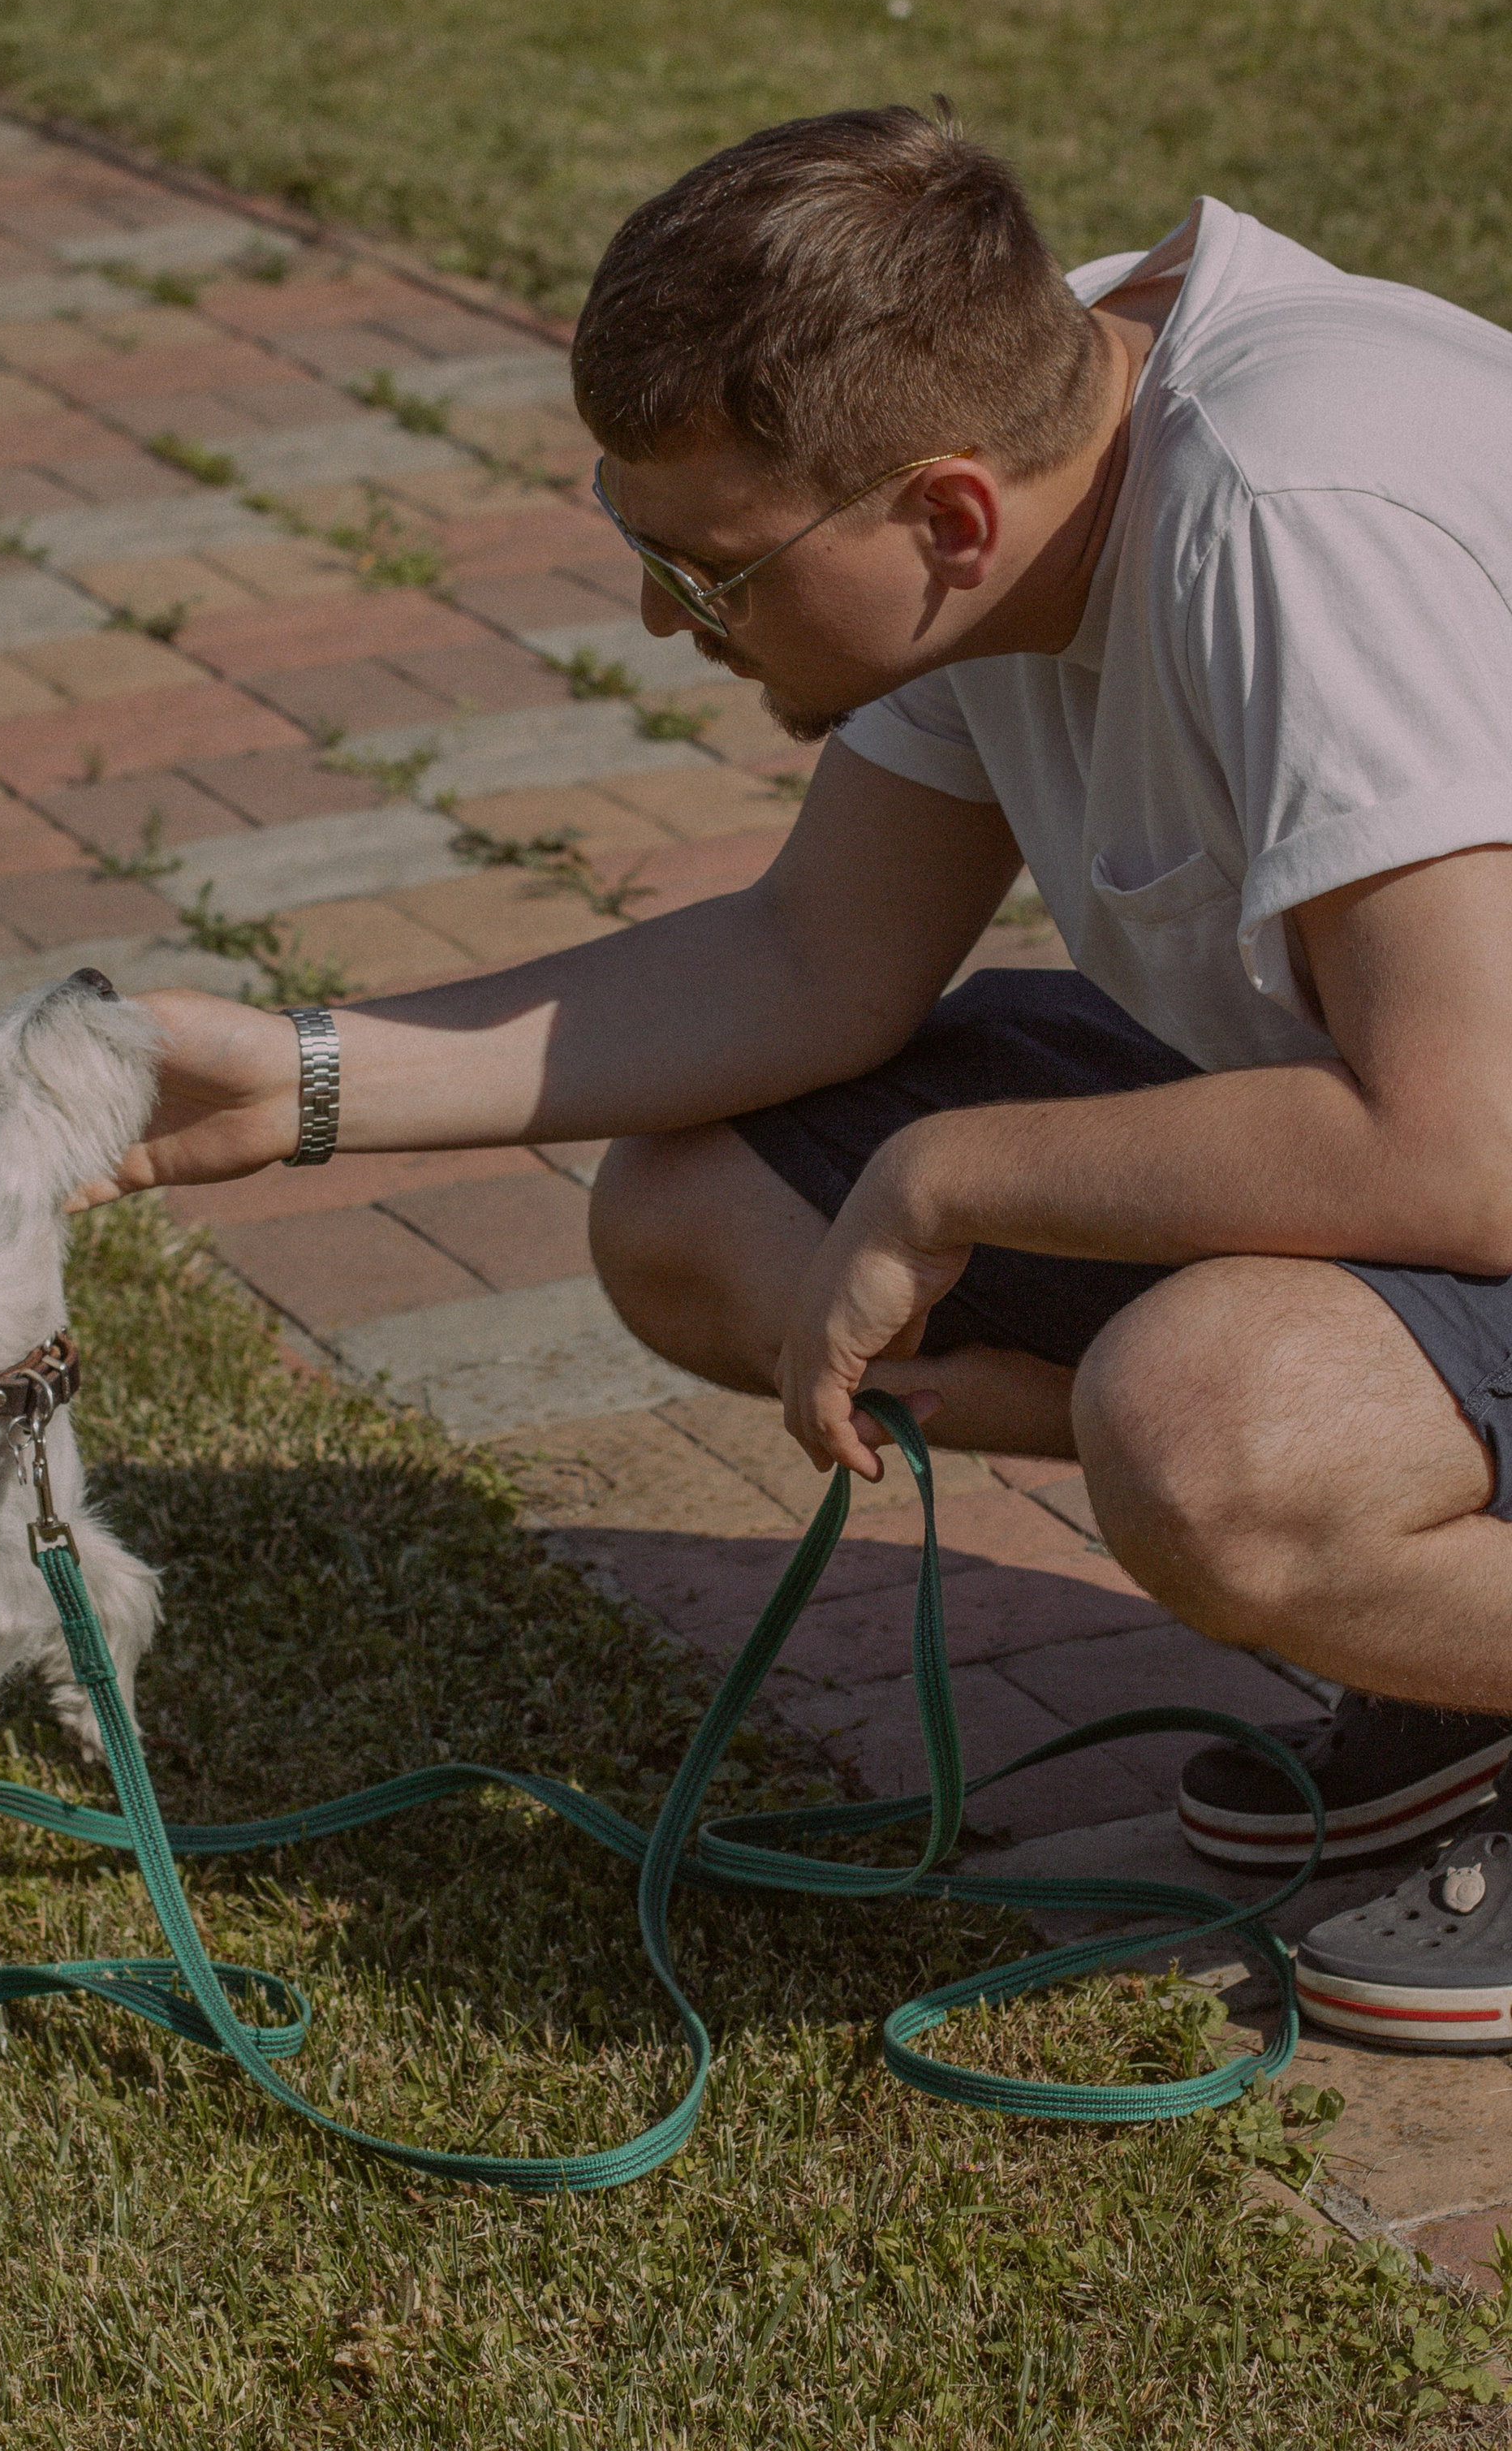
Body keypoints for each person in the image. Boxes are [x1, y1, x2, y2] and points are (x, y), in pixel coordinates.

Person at [91, 105, 1512, 2052]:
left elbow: (1462, 1148)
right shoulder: (1033, 432)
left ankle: (1394, 1580)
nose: (657, 620)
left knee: (1215, 1442)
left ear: (938, 523)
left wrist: (947, 1184)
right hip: (1437, 1111)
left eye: (701, 571)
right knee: (699, 1211)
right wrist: (305, 1083)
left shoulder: (1283, 516)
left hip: (1467, 1129)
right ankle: (1446, 1643)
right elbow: (807, 963)